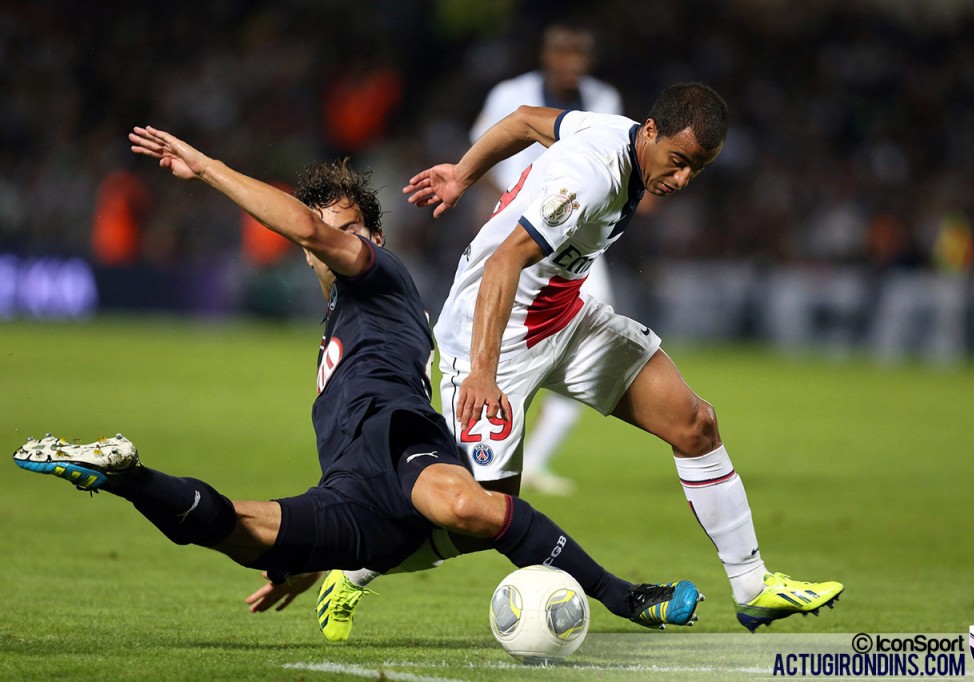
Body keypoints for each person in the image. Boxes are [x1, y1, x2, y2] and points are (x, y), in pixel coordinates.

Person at [12, 125, 703, 640]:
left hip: (396, 437)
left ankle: (624, 597)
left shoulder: (378, 272)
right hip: (350, 488)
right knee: (237, 535)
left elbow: (310, 227)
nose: (327, 241)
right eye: (325, 234)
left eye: (343, 230)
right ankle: (124, 473)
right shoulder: (341, 315)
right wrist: (315, 556)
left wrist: (208, 168)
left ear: (371, 234)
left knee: (470, 510)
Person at [401, 83, 844, 633]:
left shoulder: (614, 130)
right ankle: (356, 569)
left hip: (564, 317)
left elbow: (523, 121)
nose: (682, 179)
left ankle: (754, 588)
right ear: (651, 133)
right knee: (482, 517)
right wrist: (484, 375)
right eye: (679, 162)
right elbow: (502, 266)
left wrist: (463, 174)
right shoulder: (589, 178)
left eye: (697, 170)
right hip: (494, 336)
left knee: (695, 423)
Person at [471, 23, 622, 496]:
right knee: (490, 348)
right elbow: (489, 150)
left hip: (576, 247)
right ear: (547, 53)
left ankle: (533, 460)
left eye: (580, 53)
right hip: (520, 239)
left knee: (599, 345)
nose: (571, 62)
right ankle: (471, 451)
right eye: (563, 51)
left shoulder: (603, 99)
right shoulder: (511, 95)